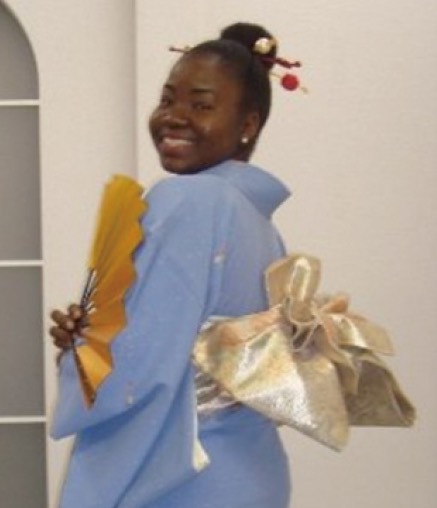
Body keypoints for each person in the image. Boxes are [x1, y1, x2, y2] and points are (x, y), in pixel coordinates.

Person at [50, 22, 293, 508]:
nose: (173, 117)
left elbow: (137, 366)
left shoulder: (188, 200)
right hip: (247, 471)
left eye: (201, 105)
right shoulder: (261, 225)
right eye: (167, 100)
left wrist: (85, 357)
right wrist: (89, 338)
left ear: (248, 124)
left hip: (184, 478)